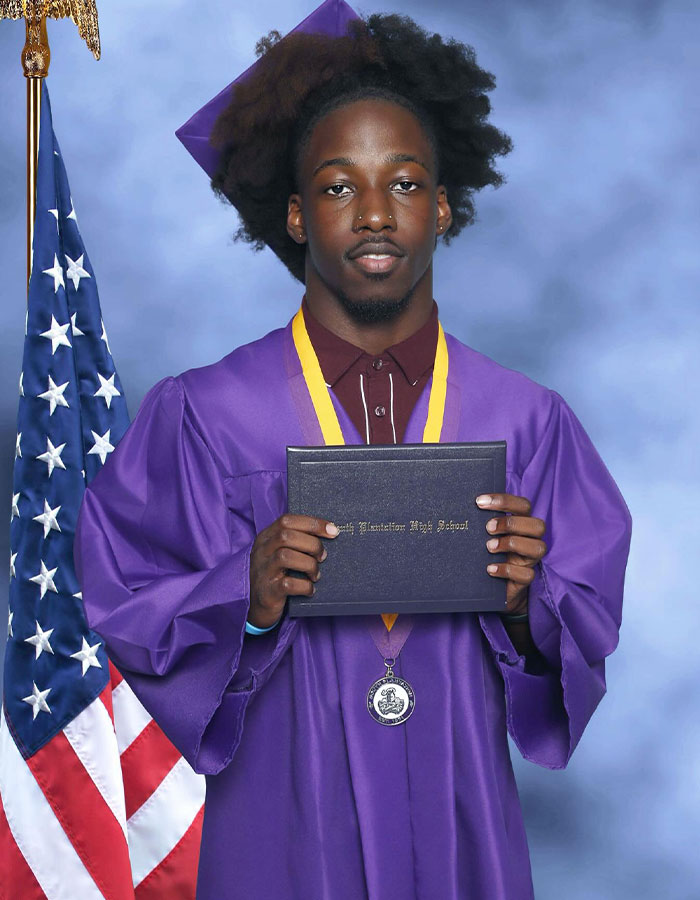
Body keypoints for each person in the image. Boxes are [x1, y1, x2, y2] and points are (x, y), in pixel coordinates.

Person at [74, 5, 633, 898]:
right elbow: (124, 605)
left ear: (445, 206)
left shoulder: (527, 422)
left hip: (460, 825)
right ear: (296, 215)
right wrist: (243, 597)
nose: (375, 211)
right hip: (280, 826)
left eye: (406, 183)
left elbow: (581, 649)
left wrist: (532, 604)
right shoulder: (207, 416)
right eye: (339, 187)